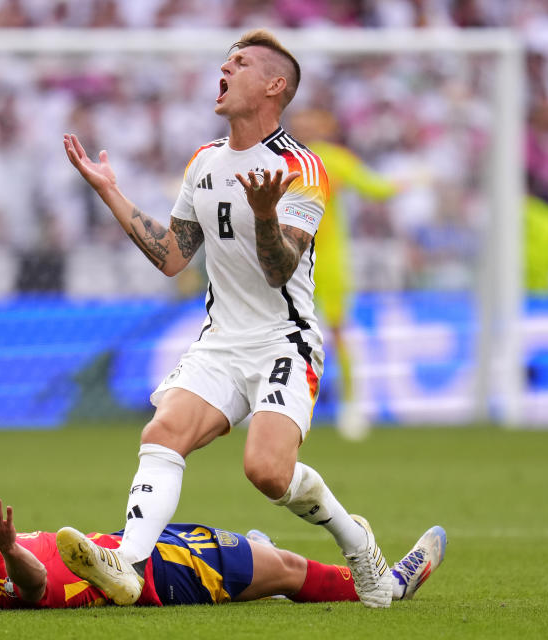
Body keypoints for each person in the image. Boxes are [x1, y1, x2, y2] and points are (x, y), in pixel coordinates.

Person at [61, 28, 395, 608]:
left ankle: (355, 540)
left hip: (284, 340)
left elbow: (278, 269)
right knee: (162, 433)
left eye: (238, 63)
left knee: (267, 472)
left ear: (274, 85)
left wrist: (266, 216)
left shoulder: (303, 167)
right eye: (224, 60)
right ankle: (129, 563)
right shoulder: (204, 162)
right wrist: (111, 193)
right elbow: (172, 256)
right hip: (222, 340)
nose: (224, 69)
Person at [0, 447, 446, 610]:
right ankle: (386, 586)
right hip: (158, 576)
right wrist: (7, 546)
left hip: (131, 549)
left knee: (261, 552)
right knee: (290, 573)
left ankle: (259, 550)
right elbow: (26, 585)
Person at [289, 108, 399, 440]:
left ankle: (352, 405)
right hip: (288, 259)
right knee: (281, 333)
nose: (307, 127)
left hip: (327, 260)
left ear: (326, 127)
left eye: (313, 121)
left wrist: (405, 182)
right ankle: (278, 406)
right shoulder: (280, 158)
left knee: (336, 333)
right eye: (302, 122)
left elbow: (377, 189)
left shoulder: (333, 159)